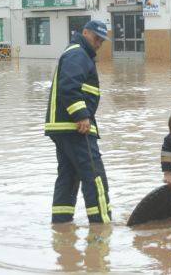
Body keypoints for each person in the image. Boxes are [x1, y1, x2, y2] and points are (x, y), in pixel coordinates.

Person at [45, 20, 111, 224]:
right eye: (96, 38)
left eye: (102, 40)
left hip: (64, 128)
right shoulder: (78, 53)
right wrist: (81, 116)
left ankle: (61, 224)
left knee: (68, 176)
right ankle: (102, 226)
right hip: (76, 128)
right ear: (84, 32)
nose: (99, 44)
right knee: (95, 176)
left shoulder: (76, 52)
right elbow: (69, 86)